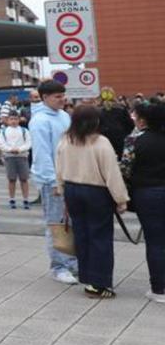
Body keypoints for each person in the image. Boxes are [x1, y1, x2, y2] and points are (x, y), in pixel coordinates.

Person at [56, 103, 129, 299]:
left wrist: (62, 190)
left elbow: (59, 168)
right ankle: (99, 283)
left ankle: (87, 277)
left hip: (72, 190)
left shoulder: (66, 140)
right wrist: (121, 199)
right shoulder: (101, 142)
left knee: (82, 234)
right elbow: (112, 173)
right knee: (100, 237)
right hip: (96, 192)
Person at [30, 80, 79, 285]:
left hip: (71, 177)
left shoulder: (64, 116)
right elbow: (42, 155)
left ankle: (72, 262)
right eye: (57, 96)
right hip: (52, 182)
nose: (62, 99)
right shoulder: (39, 121)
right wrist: (53, 182)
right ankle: (59, 266)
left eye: (63, 95)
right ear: (44, 98)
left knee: (71, 223)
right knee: (56, 224)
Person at [127, 102, 165, 303]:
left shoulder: (134, 141)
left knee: (156, 241)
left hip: (147, 193)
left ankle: (159, 289)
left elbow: (125, 168)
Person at [0, 111, 32, 209]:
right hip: (9, 157)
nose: (14, 121)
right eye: (11, 119)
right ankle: (12, 199)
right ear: (8, 120)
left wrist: (20, 149)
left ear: (19, 120)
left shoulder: (24, 131)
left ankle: (26, 199)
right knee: (11, 179)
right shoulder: (4, 131)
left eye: (16, 119)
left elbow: (28, 143)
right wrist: (10, 150)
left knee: (24, 179)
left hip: (22, 156)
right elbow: (1, 144)